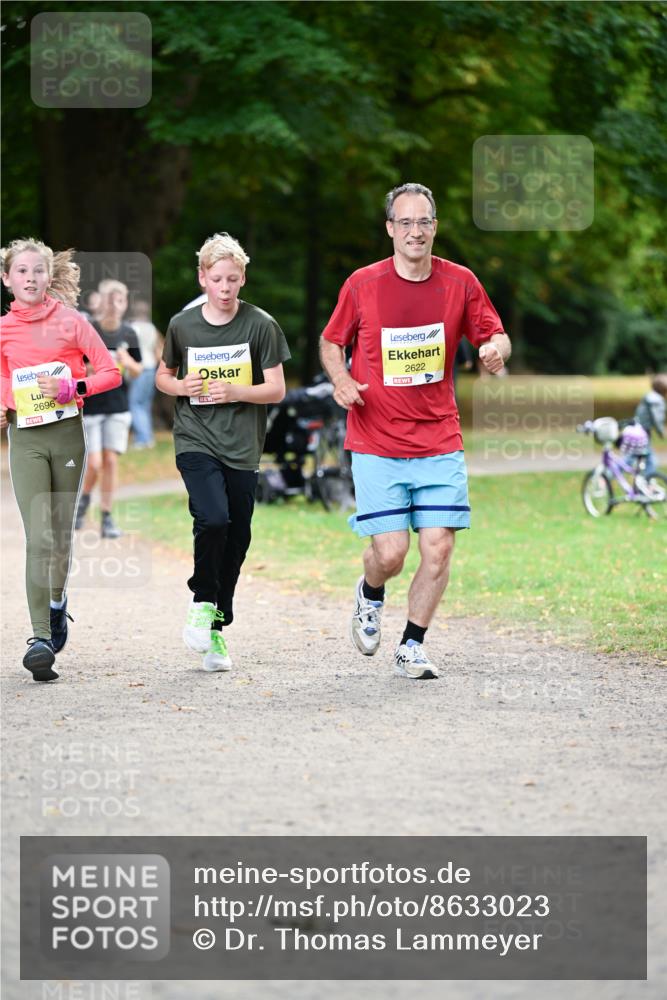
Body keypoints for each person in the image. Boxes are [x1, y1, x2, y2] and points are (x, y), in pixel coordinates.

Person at [320, 182, 510, 680]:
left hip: (439, 439)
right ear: (390, 228)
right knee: (391, 553)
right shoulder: (362, 283)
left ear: (435, 226)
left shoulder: (460, 282)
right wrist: (341, 379)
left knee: (439, 547)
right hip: (376, 440)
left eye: (424, 221)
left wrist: (495, 351)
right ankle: (370, 592)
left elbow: (496, 333)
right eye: (405, 222)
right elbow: (331, 341)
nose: (415, 231)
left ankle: (412, 644)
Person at [155, 232, 290, 672]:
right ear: (203, 278)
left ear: (243, 278)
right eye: (217, 280)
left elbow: (276, 389)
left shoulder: (260, 325)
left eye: (233, 279)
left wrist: (236, 391)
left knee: (238, 536)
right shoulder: (183, 325)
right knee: (213, 518)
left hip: (242, 447)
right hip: (195, 439)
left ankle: (215, 626)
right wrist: (181, 386)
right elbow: (162, 377)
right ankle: (201, 600)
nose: (225, 288)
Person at [0, 238, 121, 681]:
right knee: (40, 536)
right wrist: (3, 401)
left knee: (60, 536)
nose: (31, 278)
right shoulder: (3, 329)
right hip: (25, 438)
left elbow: (110, 372)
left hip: (67, 436)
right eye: (22, 271)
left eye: (38, 270)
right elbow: (3, 376)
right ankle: (39, 639)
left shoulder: (72, 322)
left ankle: (57, 602)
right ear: (6, 278)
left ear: (49, 276)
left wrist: (75, 387)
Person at [74, 279, 143, 538]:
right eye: (109, 299)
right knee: (93, 464)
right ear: (100, 302)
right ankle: (83, 500)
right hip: (90, 406)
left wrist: (126, 361)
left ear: (125, 304)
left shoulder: (129, 333)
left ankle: (107, 517)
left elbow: (138, 371)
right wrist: (94, 368)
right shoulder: (88, 330)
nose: (114, 305)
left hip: (118, 406)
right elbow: (74, 368)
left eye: (119, 300)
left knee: (111, 460)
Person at [128, 298, 162, 449]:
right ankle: (148, 437)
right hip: (151, 368)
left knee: (135, 404)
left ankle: (142, 439)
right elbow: (157, 350)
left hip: (139, 368)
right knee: (145, 404)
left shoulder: (133, 328)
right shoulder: (151, 328)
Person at [634, 373, 667, 479]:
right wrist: (661, 432)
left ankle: (647, 481)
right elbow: (657, 419)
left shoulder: (649, 396)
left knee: (641, 456)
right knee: (650, 460)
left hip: (637, 428)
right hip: (643, 431)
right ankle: (648, 481)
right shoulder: (657, 400)